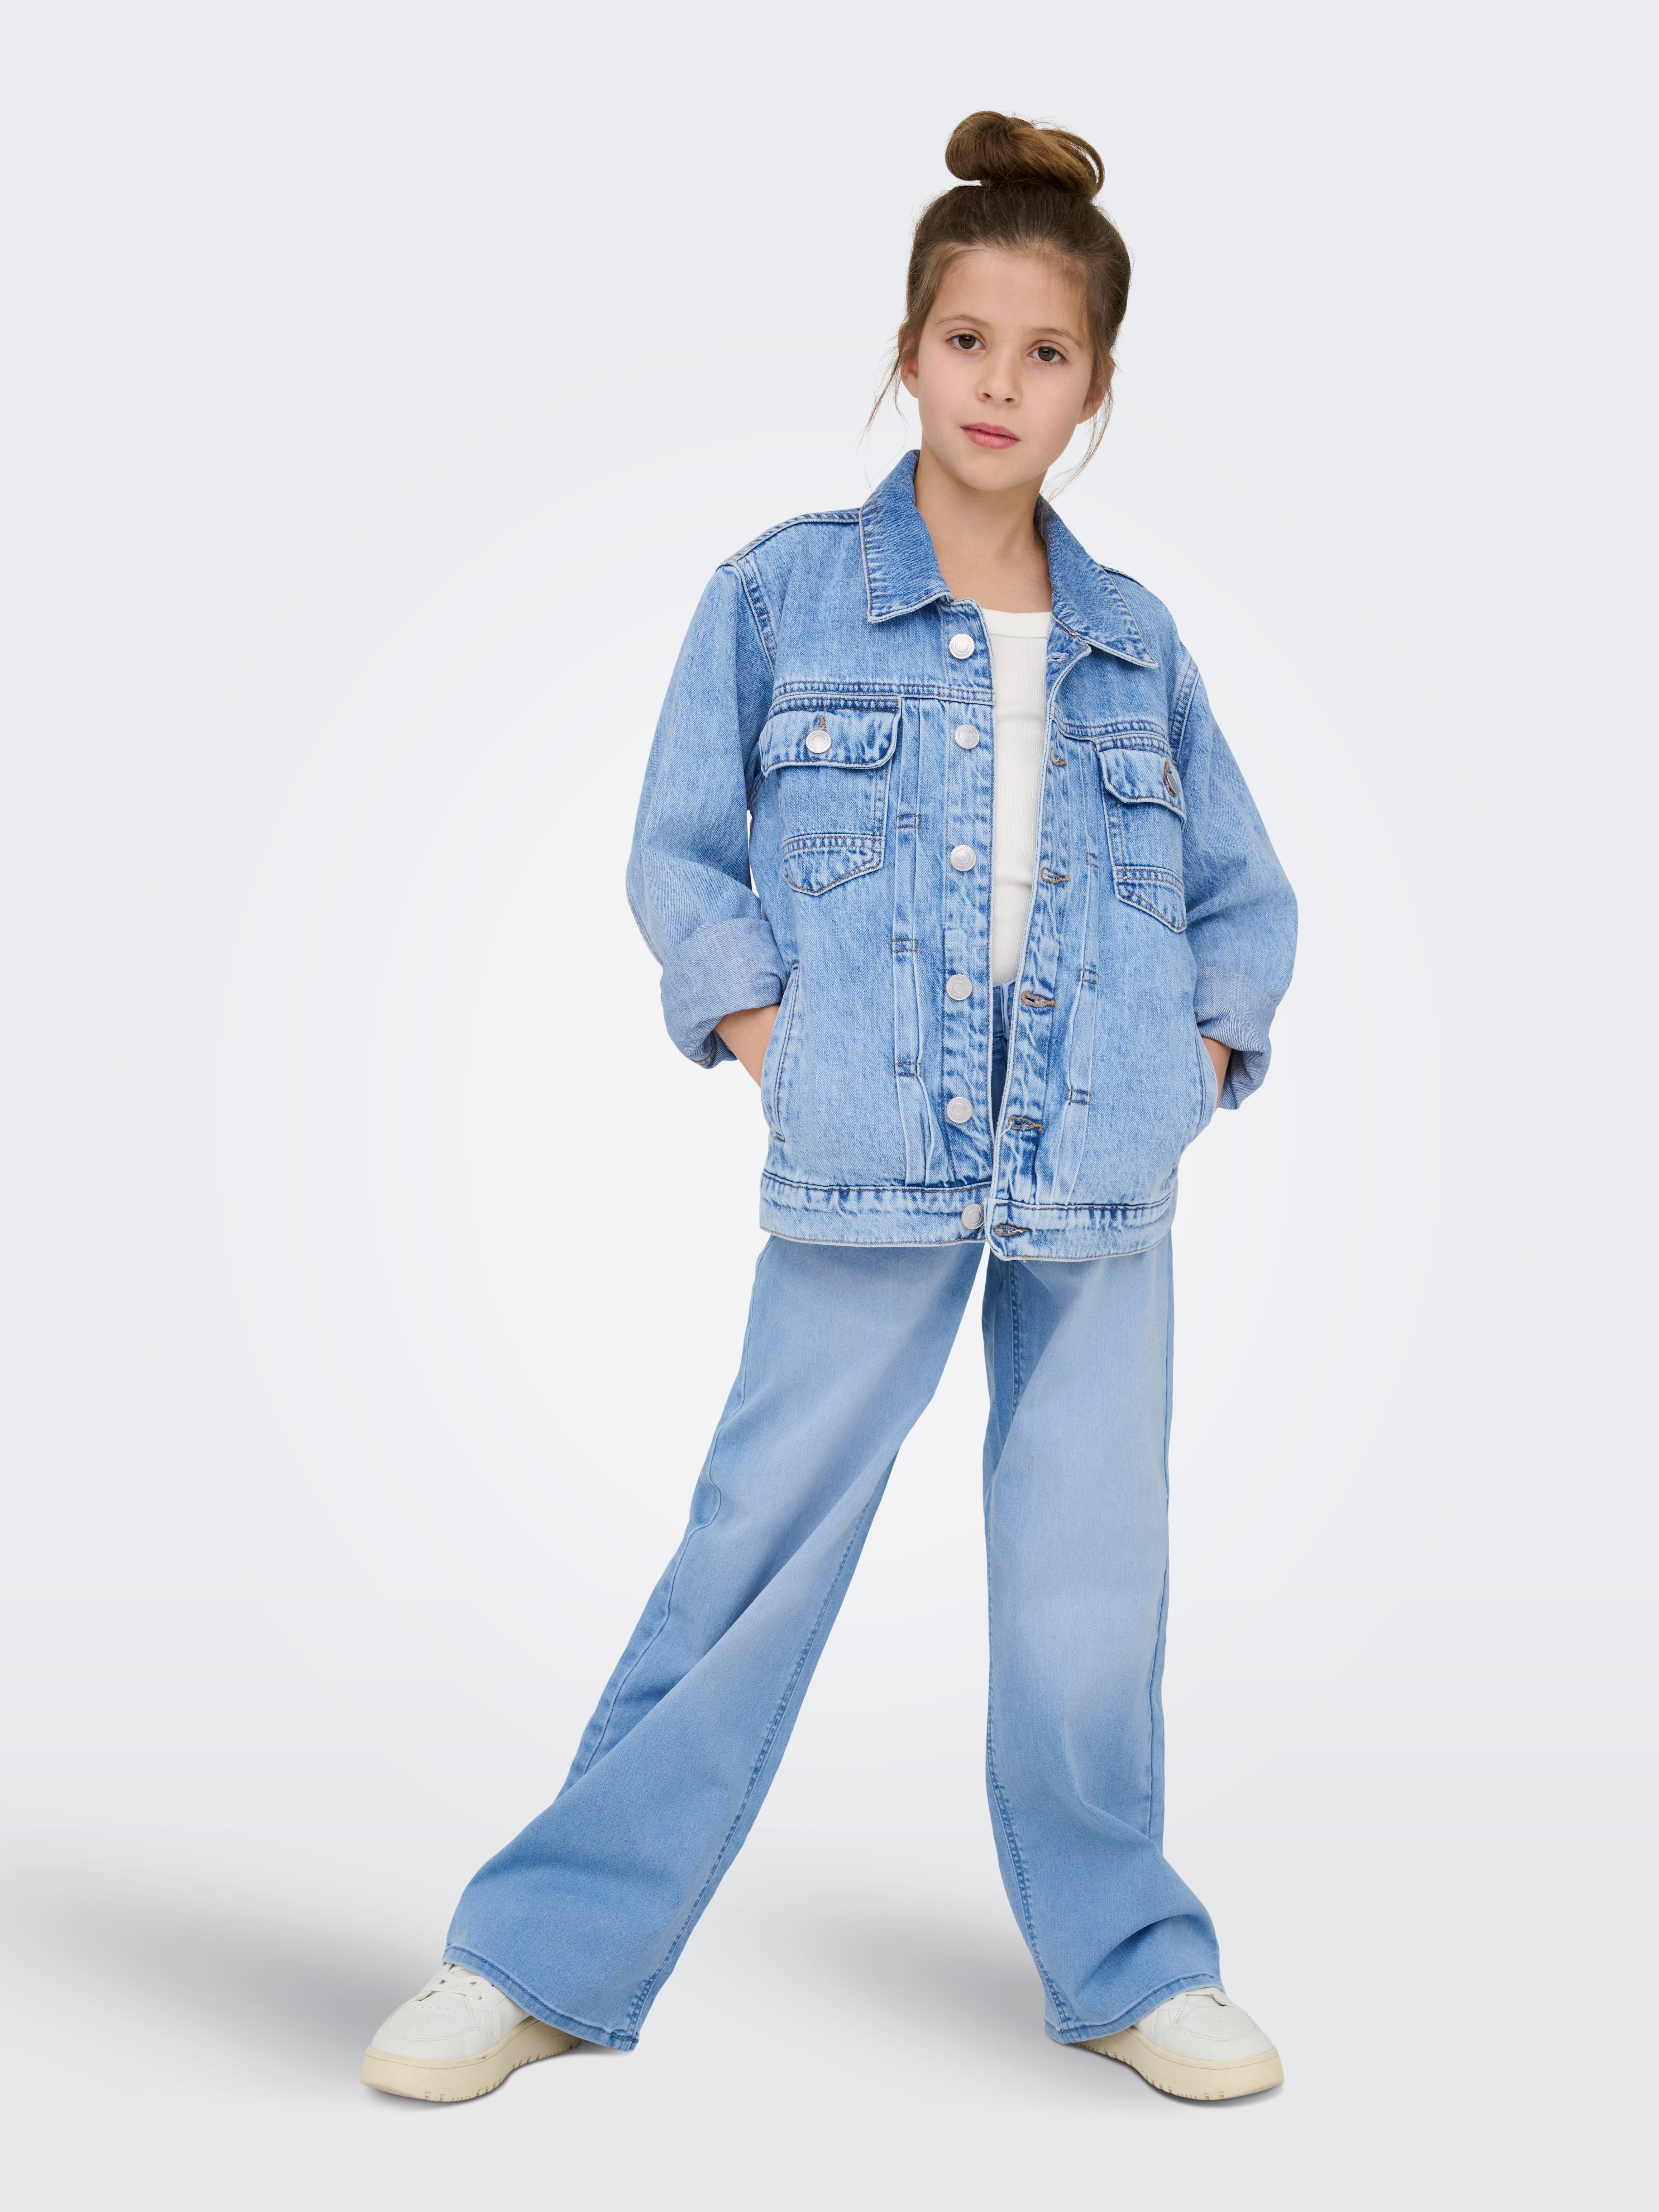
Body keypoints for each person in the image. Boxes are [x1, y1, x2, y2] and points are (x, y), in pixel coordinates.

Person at [362, 110, 1297, 2106]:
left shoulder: (1136, 639)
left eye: (1045, 353)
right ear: (907, 349)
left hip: (1098, 1183)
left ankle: (1131, 1963)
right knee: (749, 1557)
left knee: (1089, 1594)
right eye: (967, 340)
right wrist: (771, 1043)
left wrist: (1194, 1071)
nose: (998, 384)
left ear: (1095, 391)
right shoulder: (782, 597)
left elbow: (1242, 897)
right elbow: (681, 852)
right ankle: (537, 1957)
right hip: (865, 1164)